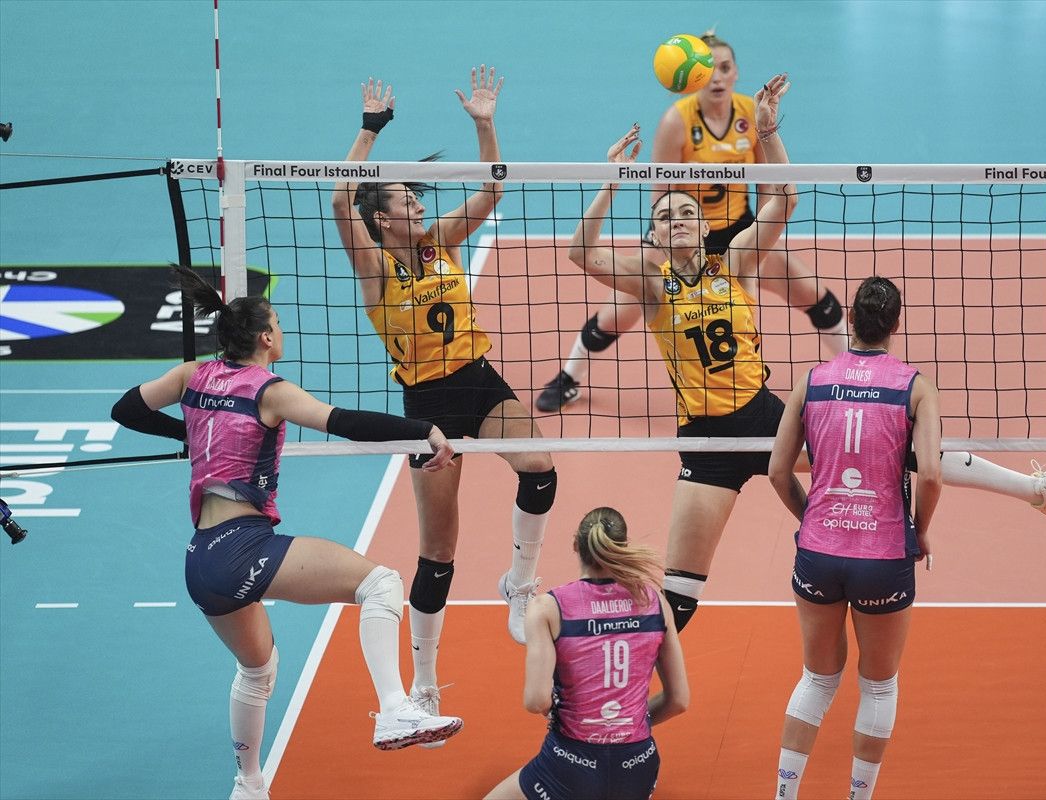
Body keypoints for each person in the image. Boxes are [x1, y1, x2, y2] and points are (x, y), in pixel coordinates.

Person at [567, 95, 1046, 638]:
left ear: (703, 227)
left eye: (686, 214)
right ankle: (615, 684)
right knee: (679, 599)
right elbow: (581, 252)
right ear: (653, 235)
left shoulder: (736, 261)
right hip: (705, 442)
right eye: (664, 217)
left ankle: (1040, 491)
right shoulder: (650, 284)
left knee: (906, 446)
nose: (675, 221)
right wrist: (611, 182)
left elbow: (785, 198)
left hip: (766, 420)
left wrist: (768, 133)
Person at [109, 266, 464, 800]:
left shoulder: (191, 375)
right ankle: (395, 708)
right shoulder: (270, 391)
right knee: (381, 584)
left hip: (200, 560)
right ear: (264, 339)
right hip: (242, 547)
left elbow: (126, 409)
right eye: (277, 323)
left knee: (257, 670)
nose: (281, 330)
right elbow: (343, 422)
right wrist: (423, 431)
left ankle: (249, 784)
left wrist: (190, 432)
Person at [330, 69, 557, 730]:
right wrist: (369, 131)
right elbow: (340, 200)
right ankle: (424, 685)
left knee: (541, 468)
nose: (419, 207)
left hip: (479, 382)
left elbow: (493, 188)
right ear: (382, 218)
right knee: (439, 552)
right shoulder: (376, 269)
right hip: (426, 409)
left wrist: (485, 124)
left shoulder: (442, 245)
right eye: (406, 201)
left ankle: (520, 584)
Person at [536, 30, 849, 413]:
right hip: (682, 232)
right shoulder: (677, 121)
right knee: (618, 312)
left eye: (725, 68)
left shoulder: (749, 115)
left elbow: (770, 189)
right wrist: (664, 246)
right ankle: (569, 377)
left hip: (738, 232)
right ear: (694, 77)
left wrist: (765, 233)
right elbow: (660, 197)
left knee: (811, 293)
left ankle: (854, 372)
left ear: (735, 73)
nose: (717, 77)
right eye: (710, 69)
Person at [765, 276, 936, 800]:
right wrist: (919, 530)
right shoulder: (914, 386)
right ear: (895, 325)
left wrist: (813, 517)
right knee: (879, 685)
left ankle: (784, 796)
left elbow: (776, 471)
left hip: (818, 551)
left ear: (852, 320)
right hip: (883, 555)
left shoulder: (812, 380)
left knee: (817, 679)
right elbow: (930, 473)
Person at [485, 507, 688, 800]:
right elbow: (678, 700)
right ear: (623, 547)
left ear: (575, 546)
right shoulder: (655, 603)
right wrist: (624, 726)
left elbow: (536, 700)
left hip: (570, 762)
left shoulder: (547, 607)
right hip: (638, 764)